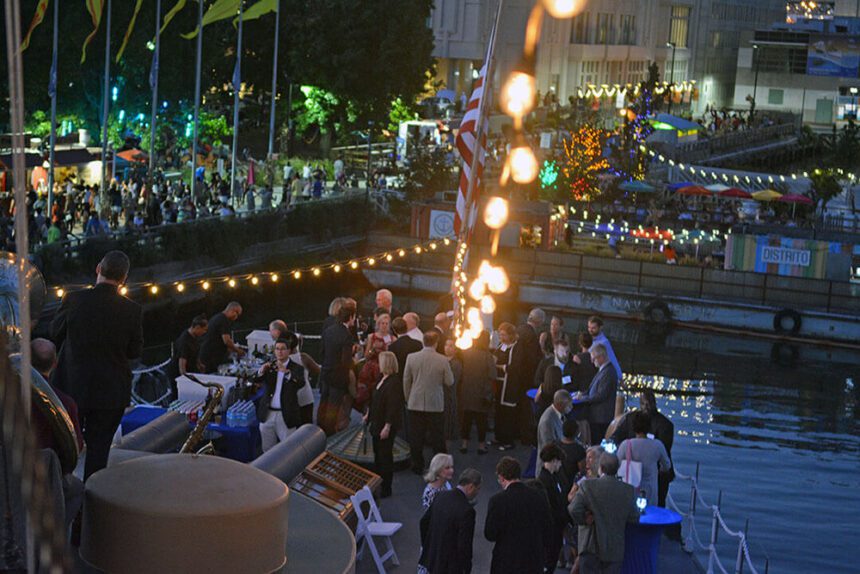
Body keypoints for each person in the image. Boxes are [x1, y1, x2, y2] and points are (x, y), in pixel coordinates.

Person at [51, 251, 143, 480]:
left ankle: (63, 495)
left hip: (72, 386)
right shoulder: (132, 310)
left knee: (64, 445)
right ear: (124, 279)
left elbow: (54, 334)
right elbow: (134, 352)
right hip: (111, 391)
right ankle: (91, 504)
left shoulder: (73, 300)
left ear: (98, 269)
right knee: (99, 451)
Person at [29, 338, 85, 533]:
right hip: (48, 475)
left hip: (12, 469)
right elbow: (75, 448)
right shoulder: (65, 404)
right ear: (55, 363)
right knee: (77, 489)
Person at [568, 453, 640, 574]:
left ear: (600, 467)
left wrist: (584, 519)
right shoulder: (628, 490)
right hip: (614, 549)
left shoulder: (588, 486)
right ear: (617, 469)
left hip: (590, 546)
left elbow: (573, 509)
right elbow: (634, 517)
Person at [484, 457, 552, 574]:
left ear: (501, 477)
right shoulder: (538, 496)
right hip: (533, 559)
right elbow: (548, 527)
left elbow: (490, 534)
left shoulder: (497, 501)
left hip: (506, 561)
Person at [611, 390, 675, 506]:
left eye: (649, 403)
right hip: (641, 477)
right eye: (643, 404)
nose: (646, 407)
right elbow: (616, 436)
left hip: (652, 476)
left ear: (654, 403)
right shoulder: (630, 418)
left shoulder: (665, 424)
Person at [403, 331, 454, 474]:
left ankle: (417, 465)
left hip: (415, 401)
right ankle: (440, 466)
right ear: (436, 343)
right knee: (438, 437)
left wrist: (408, 398)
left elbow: (406, 380)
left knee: (416, 436)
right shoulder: (442, 360)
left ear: (423, 342)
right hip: (435, 403)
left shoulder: (411, 357)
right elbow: (449, 381)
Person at [419, 468, 482, 574]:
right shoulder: (467, 511)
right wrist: (466, 568)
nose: (478, 493)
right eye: (478, 489)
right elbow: (464, 545)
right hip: (450, 566)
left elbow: (424, 522)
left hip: (433, 559)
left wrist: (429, 547)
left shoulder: (440, 496)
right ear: (471, 487)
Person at [255, 338, 306, 451]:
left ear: (289, 351)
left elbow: (300, 383)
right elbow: (255, 380)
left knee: (289, 449)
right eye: (277, 349)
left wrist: (287, 373)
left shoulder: (297, 368)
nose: (280, 352)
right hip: (268, 414)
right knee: (267, 450)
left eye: (283, 349)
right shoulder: (270, 366)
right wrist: (260, 372)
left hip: (286, 414)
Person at [363, 351, 402, 497]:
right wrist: (368, 414)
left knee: (385, 456)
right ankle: (378, 483)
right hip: (376, 423)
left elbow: (393, 406)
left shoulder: (394, 382)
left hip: (385, 425)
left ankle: (386, 487)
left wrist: (387, 426)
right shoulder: (381, 378)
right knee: (378, 455)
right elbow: (375, 399)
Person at [318, 305, 356, 435]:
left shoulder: (328, 330)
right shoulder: (347, 336)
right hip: (338, 377)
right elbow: (346, 361)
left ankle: (318, 431)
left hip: (325, 372)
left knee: (323, 403)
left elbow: (322, 352)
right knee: (333, 408)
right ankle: (328, 435)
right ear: (350, 317)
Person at [457, 330, 496, 455]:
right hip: (482, 392)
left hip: (467, 391)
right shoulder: (487, 356)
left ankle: (464, 444)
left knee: (466, 419)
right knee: (481, 421)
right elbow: (493, 375)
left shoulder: (466, 353)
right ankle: (481, 445)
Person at [537, 444, 572, 573]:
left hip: (557, 525)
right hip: (552, 527)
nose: (560, 465)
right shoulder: (544, 481)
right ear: (554, 461)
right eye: (559, 462)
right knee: (549, 559)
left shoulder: (555, 476)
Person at [576, 344, 618, 444]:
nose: (591, 361)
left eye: (594, 359)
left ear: (601, 357)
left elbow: (601, 395)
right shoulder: (603, 369)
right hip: (597, 417)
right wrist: (582, 393)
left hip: (601, 418)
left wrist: (582, 398)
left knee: (596, 444)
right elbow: (592, 389)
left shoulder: (609, 372)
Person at [167, 314, 208, 399]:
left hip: (191, 368)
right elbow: (182, 365)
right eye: (204, 330)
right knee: (177, 396)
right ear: (197, 327)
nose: (204, 332)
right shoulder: (184, 342)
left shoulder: (194, 337)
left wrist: (199, 364)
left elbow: (195, 352)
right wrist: (186, 381)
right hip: (177, 373)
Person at [198, 302, 244, 373]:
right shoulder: (224, 321)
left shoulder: (218, 317)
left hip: (207, 355)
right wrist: (238, 351)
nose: (236, 317)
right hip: (211, 357)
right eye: (237, 314)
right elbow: (226, 341)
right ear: (232, 310)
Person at [586, 316, 622, 381]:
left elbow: (612, 359)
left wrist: (619, 377)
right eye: (589, 327)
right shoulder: (588, 338)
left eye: (593, 328)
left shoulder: (604, 342)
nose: (590, 330)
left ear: (600, 327)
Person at [442, 337, 461, 443]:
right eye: (446, 345)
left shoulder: (456, 363)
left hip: (449, 394)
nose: (447, 348)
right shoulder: (441, 359)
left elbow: (452, 381)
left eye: (451, 346)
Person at [559, 418, 587, 483]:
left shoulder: (556, 445)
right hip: (572, 484)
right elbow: (582, 471)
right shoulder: (579, 450)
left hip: (558, 483)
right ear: (576, 432)